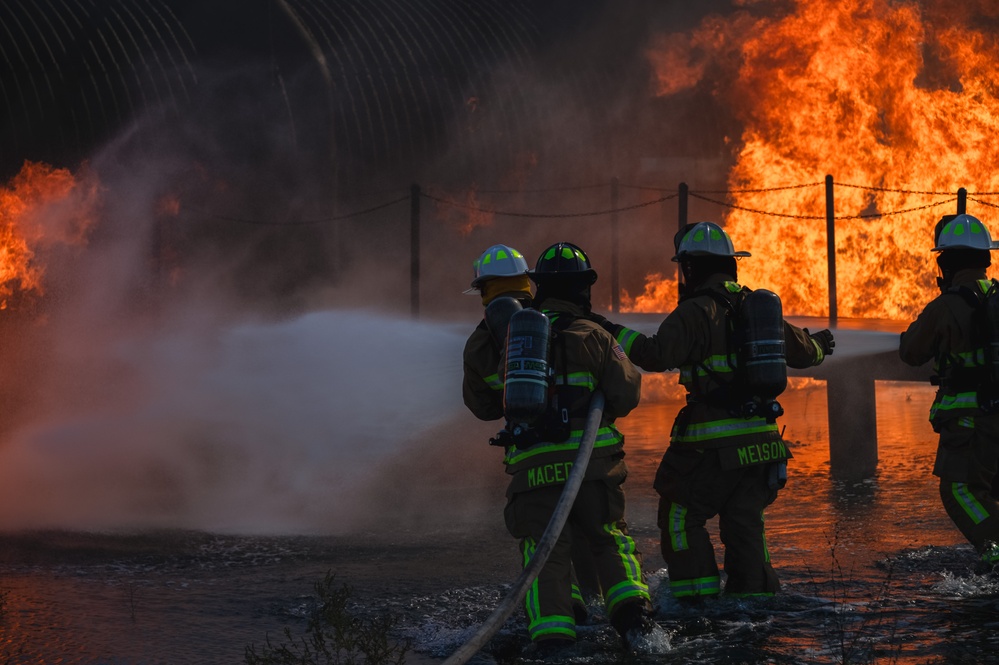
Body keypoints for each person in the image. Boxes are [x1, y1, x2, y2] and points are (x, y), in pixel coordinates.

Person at [594, 221, 833, 600]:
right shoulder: (758, 307)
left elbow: (655, 355)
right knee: (745, 522)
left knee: (679, 517)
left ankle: (697, 604)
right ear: (731, 264)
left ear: (689, 268)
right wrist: (820, 343)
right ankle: (756, 604)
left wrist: (609, 331)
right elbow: (806, 353)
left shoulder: (695, 311)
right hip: (764, 445)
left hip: (712, 444)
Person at [494, 241, 653, 654]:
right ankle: (637, 623)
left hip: (533, 469)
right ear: (584, 289)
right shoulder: (595, 335)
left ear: (540, 288)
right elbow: (627, 393)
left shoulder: (516, 341)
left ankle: (552, 641)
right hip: (593, 465)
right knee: (607, 538)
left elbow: (493, 399)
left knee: (544, 553)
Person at [459, 243, 597, 629]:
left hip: (532, 462)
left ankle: (559, 622)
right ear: (527, 282)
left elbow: (483, 408)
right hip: (586, 457)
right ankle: (601, 607)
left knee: (543, 545)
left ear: (484, 289)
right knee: (594, 535)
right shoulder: (554, 321)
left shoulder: (479, 342)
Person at [899, 213, 999, 570]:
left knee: (960, 490)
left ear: (946, 261)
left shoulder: (947, 306)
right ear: (987, 259)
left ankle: (996, 549)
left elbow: (911, 350)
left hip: (970, 423)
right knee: (991, 488)